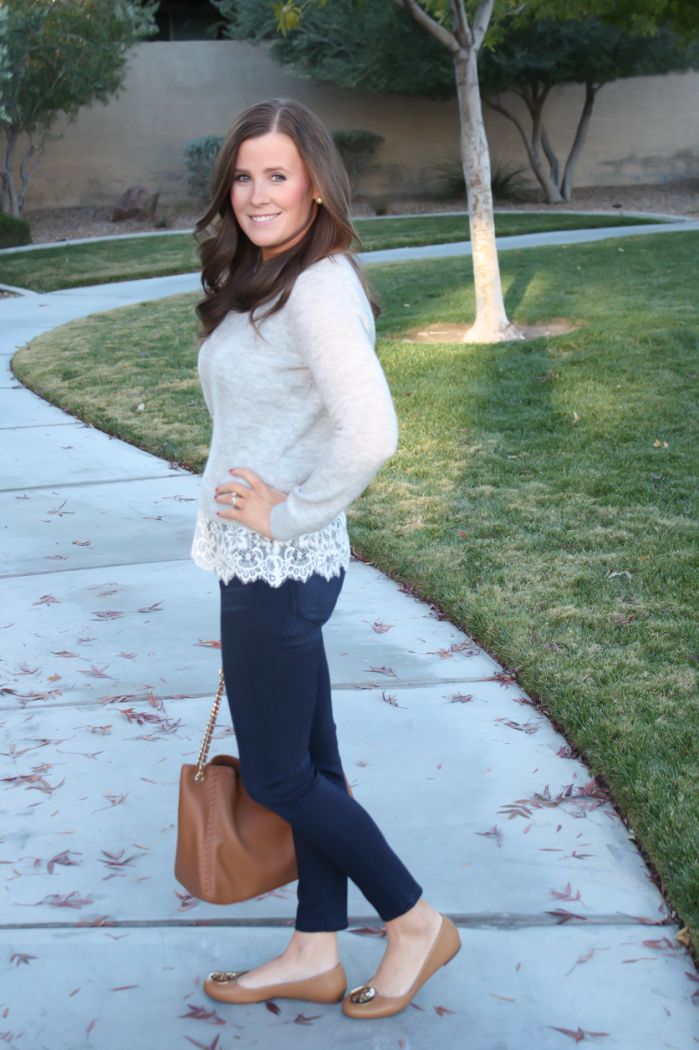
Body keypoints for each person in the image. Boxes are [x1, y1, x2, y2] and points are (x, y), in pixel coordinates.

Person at [190, 98, 460, 1020]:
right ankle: (314, 949)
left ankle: (413, 919)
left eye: (277, 174)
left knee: (277, 776)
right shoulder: (269, 272)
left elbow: (372, 433)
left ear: (314, 182)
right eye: (243, 175)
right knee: (312, 764)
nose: (256, 193)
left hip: (281, 568)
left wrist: (288, 514)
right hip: (266, 565)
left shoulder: (317, 287)